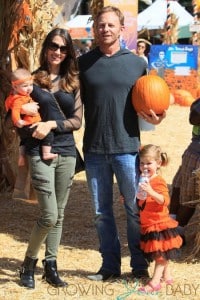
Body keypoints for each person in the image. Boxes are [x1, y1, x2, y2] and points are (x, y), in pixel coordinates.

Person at [78, 5, 166, 281]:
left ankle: (138, 265)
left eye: (110, 25)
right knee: (101, 212)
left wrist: (158, 117)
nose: (105, 29)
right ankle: (109, 267)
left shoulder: (137, 63)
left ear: (121, 28)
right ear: (94, 28)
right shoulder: (83, 63)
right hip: (93, 149)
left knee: (133, 209)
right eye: (100, 25)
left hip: (128, 149)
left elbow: (152, 101)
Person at [18, 27, 82, 289]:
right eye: (53, 46)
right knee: (49, 214)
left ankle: (51, 266)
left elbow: (77, 121)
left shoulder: (74, 83)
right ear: (46, 48)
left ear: (69, 53)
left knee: (61, 213)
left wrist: (52, 125)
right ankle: (28, 263)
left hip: (66, 150)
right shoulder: (31, 81)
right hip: (39, 151)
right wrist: (22, 109)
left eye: (63, 48)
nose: (57, 51)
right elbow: (18, 120)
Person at [137, 144, 182, 293]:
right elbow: (143, 201)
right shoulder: (143, 179)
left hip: (159, 224)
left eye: (149, 163)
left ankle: (155, 282)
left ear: (158, 163)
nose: (144, 166)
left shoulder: (158, 181)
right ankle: (167, 276)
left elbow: (165, 201)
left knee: (160, 254)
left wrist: (150, 191)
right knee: (162, 251)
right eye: (142, 163)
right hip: (149, 223)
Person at [5, 68, 58, 165]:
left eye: (31, 85)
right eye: (25, 86)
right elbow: (15, 111)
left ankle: (21, 157)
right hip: (29, 125)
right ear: (15, 87)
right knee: (48, 133)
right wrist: (18, 121)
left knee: (24, 141)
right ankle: (46, 153)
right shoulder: (18, 99)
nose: (29, 88)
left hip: (25, 128)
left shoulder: (21, 96)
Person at [169, 98, 200, 230]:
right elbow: (194, 117)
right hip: (195, 154)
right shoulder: (197, 106)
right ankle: (173, 224)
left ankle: (177, 230)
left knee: (188, 195)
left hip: (195, 154)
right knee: (179, 187)